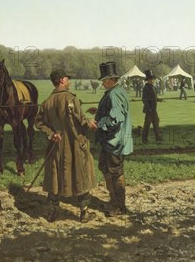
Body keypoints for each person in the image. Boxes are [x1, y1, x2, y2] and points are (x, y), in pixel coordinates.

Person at [34, 69, 98, 223]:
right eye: (67, 79)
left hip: (56, 145)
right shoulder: (70, 98)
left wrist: (51, 134)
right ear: (62, 80)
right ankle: (84, 213)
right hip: (73, 144)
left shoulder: (47, 101)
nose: (69, 82)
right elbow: (80, 120)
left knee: (55, 178)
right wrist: (90, 123)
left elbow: (38, 122)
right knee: (80, 175)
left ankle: (52, 212)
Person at [95, 61, 133, 216]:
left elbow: (116, 118)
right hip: (111, 141)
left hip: (114, 141)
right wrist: (100, 111)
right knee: (105, 168)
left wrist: (99, 123)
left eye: (104, 80)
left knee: (115, 172)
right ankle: (114, 200)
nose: (103, 83)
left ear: (111, 80)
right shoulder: (117, 91)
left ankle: (120, 206)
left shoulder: (114, 94)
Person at [141, 69, 163, 144]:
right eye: (151, 79)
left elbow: (154, 98)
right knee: (147, 125)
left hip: (154, 110)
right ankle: (144, 139)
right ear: (148, 80)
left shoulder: (153, 87)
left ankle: (158, 138)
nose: (152, 81)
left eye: (153, 79)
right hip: (149, 110)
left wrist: (159, 100)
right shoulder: (146, 88)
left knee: (156, 123)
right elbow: (144, 99)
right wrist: (149, 108)